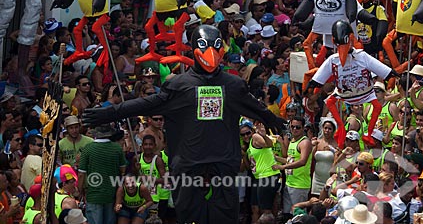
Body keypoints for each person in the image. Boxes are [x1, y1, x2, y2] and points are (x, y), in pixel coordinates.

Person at [83, 25, 285, 224]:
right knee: (189, 213)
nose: (210, 52)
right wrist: (109, 113)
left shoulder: (232, 85)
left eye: (215, 46)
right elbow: (144, 104)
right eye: (205, 46)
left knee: (223, 213)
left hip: (222, 160)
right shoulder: (179, 85)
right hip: (189, 161)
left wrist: (272, 119)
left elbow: (255, 107)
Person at [78, 124, 127, 224]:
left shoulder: (88, 149)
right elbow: (123, 169)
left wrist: (80, 191)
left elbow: (81, 174)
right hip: (111, 194)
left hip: (93, 194)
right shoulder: (117, 148)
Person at [273, 116, 313, 216]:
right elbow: (290, 160)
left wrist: (283, 167)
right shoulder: (292, 141)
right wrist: (276, 158)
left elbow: (303, 161)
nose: (294, 129)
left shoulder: (304, 142)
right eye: (292, 127)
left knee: (298, 215)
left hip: (300, 185)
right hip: (289, 183)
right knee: (287, 214)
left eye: (298, 127)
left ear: (303, 128)